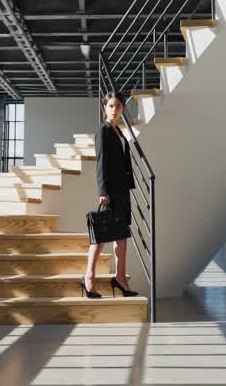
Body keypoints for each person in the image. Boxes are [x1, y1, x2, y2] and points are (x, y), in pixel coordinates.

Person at [82, 92, 139, 299]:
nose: (115, 110)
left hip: (122, 191)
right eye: (111, 106)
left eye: (119, 106)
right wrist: (102, 191)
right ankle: (89, 277)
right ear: (105, 108)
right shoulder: (104, 131)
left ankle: (121, 278)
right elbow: (101, 164)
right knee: (101, 235)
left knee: (122, 236)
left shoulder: (119, 132)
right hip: (111, 192)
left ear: (123, 109)